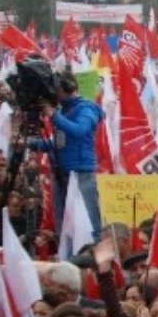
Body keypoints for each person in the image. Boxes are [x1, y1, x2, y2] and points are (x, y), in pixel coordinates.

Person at [41, 70, 104, 238]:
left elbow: (79, 130)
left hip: (80, 173)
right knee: (64, 225)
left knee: (88, 222)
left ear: (67, 88)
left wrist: (53, 115)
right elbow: (59, 143)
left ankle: (91, 255)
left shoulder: (86, 109)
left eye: (57, 89)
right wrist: (37, 144)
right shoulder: (62, 111)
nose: (56, 94)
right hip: (61, 172)